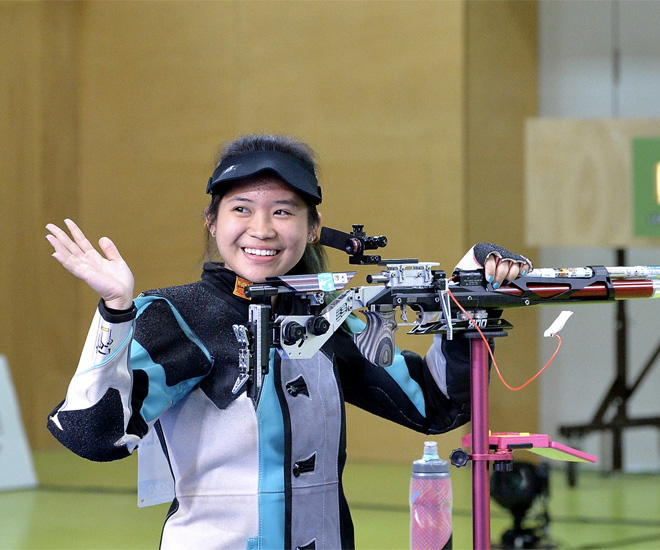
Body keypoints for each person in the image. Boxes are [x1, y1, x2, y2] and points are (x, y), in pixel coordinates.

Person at [45, 134, 531, 550]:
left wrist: (470, 299)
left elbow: (436, 405)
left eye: (283, 211)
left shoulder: (332, 317)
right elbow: (93, 435)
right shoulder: (176, 315)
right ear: (213, 221)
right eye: (241, 209)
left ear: (313, 228)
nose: (262, 229)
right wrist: (115, 312)